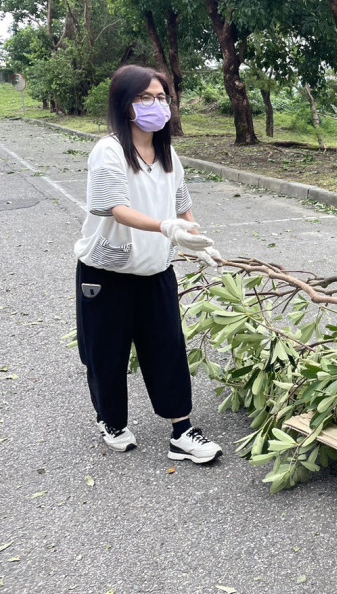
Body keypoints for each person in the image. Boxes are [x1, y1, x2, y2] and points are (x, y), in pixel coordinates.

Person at [75, 65, 224, 464]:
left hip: (155, 270)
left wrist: (195, 239)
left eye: (161, 98)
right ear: (125, 105)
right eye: (145, 98)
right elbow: (116, 208)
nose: (156, 105)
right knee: (107, 352)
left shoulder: (168, 153)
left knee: (168, 349)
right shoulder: (108, 150)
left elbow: (182, 205)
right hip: (107, 274)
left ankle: (182, 431)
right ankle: (111, 421)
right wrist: (165, 227)